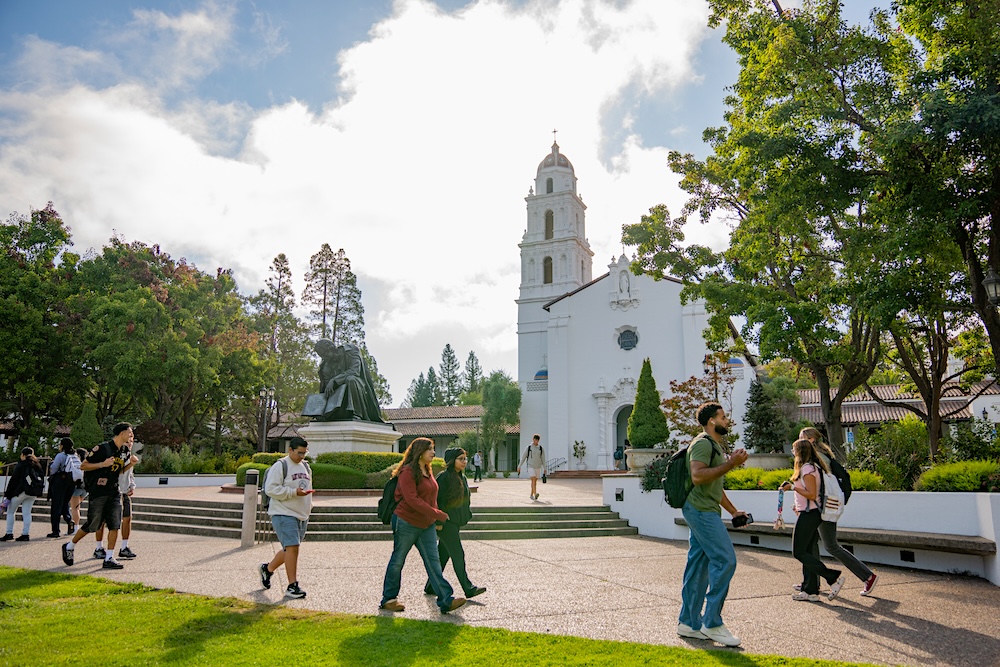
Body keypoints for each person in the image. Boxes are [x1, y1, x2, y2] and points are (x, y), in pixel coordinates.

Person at [677, 402, 749, 648]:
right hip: (701, 512)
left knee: (698, 567)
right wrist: (731, 464)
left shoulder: (714, 445)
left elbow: (713, 486)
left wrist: (733, 511)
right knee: (725, 560)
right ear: (711, 421)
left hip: (704, 509)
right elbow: (698, 477)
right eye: (722, 416)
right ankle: (712, 622)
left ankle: (688, 623)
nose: (726, 420)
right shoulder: (702, 443)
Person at [380, 437, 467, 614]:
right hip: (406, 521)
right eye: (430, 449)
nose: (433, 453)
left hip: (426, 524)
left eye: (433, 449)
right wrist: (437, 514)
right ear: (420, 452)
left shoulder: (427, 471)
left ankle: (445, 600)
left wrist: (434, 518)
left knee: (433, 562)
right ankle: (389, 599)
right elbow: (412, 499)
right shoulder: (407, 472)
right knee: (398, 560)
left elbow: (431, 498)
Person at [795, 427, 878, 597]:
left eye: (802, 438)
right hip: (821, 506)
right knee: (811, 545)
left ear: (811, 440)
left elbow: (817, 485)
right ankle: (810, 585)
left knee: (830, 545)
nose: (799, 441)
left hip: (822, 507)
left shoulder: (818, 458)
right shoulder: (820, 456)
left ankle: (867, 576)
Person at [61, 423, 138, 570]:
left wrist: (131, 464)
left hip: (114, 491)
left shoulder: (124, 451)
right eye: (129, 432)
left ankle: (109, 557)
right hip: (98, 492)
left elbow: (119, 471)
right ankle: (70, 546)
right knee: (92, 524)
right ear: (121, 433)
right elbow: (83, 466)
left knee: (115, 524)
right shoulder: (102, 448)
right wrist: (102, 464)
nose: (131, 435)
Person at [781, 438, 843, 602]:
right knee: (807, 553)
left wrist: (793, 487)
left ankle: (832, 577)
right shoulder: (811, 467)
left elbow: (811, 493)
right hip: (808, 512)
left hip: (810, 514)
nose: (793, 453)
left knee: (799, 552)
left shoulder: (807, 469)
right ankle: (810, 590)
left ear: (800, 452)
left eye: (794, 450)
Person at [423, 447, 486, 600]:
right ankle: (468, 588)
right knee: (458, 553)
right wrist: (438, 521)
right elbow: (435, 500)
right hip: (445, 523)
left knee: (443, 555)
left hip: (455, 522)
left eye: (465, 458)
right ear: (452, 461)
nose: (464, 462)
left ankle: (430, 585)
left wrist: (466, 514)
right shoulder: (443, 477)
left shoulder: (462, 477)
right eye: (461, 459)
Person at [259, 437, 315, 599]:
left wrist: (308, 506)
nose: (302, 456)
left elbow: (307, 487)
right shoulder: (280, 466)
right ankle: (292, 586)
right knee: (292, 547)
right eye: (299, 453)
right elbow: (271, 489)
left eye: (305, 453)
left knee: (290, 549)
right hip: (283, 512)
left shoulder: (305, 466)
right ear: (290, 450)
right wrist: (292, 493)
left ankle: (267, 569)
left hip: (301, 514)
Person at [308, 338, 384, 423]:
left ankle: (356, 413)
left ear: (331, 348)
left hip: (358, 386)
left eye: (325, 355)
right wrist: (319, 412)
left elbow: (355, 371)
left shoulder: (350, 350)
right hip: (337, 394)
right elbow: (325, 389)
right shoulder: (326, 366)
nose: (324, 358)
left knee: (350, 379)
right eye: (322, 356)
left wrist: (334, 380)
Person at [94, 460, 138, 560]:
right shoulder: (115, 457)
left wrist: (132, 486)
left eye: (131, 442)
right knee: (102, 521)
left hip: (124, 492)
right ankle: (99, 547)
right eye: (127, 442)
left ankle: (124, 547)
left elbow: (129, 474)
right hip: (110, 493)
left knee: (127, 518)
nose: (130, 444)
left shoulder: (129, 458)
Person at [2, 447, 44, 542]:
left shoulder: (21, 465)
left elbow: (14, 480)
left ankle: (9, 533)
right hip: (32, 492)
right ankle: (25, 534)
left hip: (21, 492)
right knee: (27, 512)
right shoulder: (37, 465)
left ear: (22, 455)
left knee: (11, 511)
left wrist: (8, 494)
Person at [47, 438, 75, 538]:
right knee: (64, 503)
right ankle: (69, 520)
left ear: (62, 445)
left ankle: (55, 530)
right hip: (71, 482)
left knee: (56, 506)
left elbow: (54, 468)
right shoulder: (74, 455)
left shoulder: (61, 455)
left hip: (60, 481)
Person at [517, 434, 546, 500]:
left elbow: (543, 459)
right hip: (530, 466)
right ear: (533, 439)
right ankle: (535, 494)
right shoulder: (529, 448)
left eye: (537, 440)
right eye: (535, 440)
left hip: (538, 466)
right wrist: (519, 466)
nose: (536, 441)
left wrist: (545, 468)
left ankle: (531, 494)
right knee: (533, 479)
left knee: (534, 481)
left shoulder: (541, 448)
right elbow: (523, 457)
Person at [67, 448, 88, 538]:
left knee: (74, 508)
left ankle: (76, 527)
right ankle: (76, 526)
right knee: (77, 508)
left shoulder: (76, 464)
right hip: (85, 488)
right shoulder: (87, 464)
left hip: (76, 487)